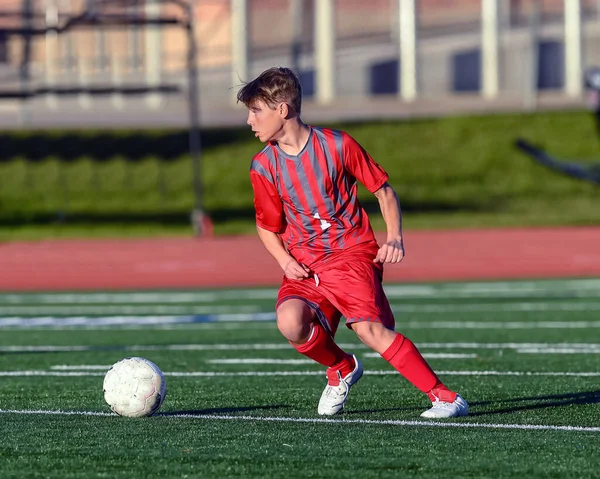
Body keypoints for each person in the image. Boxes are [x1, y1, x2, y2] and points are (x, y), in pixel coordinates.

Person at [237, 67, 468, 418]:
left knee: (369, 330)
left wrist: (395, 239)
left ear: (282, 109)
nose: (250, 121)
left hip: (350, 254)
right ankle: (343, 368)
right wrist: (285, 262)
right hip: (305, 263)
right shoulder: (263, 166)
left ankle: (446, 398)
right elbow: (267, 227)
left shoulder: (337, 144)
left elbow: (383, 191)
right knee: (290, 322)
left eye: (256, 111)